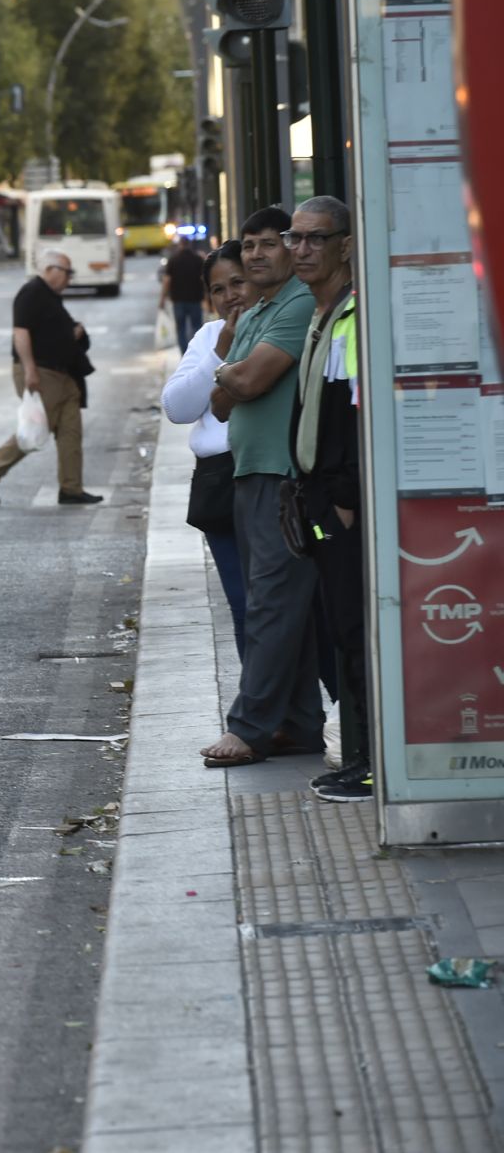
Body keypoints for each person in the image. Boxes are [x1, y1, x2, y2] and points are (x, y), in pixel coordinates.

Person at [199, 206, 323, 767]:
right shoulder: (255, 309)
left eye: (268, 244)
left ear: (291, 248)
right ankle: (296, 724)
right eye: (248, 245)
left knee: (272, 606)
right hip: (249, 473)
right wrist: (232, 374)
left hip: (284, 476)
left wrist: (230, 371)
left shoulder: (296, 301)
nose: (255, 255)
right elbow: (223, 405)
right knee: (278, 607)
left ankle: (249, 725)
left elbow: (242, 378)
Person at [285, 195, 370, 802]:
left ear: (345, 243)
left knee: (357, 631)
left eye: (316, 238)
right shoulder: (320, 311)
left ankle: (371, 764)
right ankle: (361, 756)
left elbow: (358, 415)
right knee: (341, 632)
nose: (302, 250)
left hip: (343, 503)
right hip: (319, 498)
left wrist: (343, 497)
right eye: (296, 238)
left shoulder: (353, 315)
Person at [163, 241, 253, 657]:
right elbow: (178, 408)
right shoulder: (209, 336)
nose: (231, 295)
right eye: (219, 289)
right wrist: (219, 351)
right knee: (242, 605)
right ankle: (265, 712)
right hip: (220, 485)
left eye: (238, 282)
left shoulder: (285, 326)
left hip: (271, 479)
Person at [0, 250, 101, 506]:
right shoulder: (31, 292)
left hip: (64, 376)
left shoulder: (51, 297)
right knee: (37, 428)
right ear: (50, 270)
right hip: (42, 373)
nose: (69, 278)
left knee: (70, 432)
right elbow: (21, 334)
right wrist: (30, 369)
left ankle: (71, 488)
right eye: (67, 272)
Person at [161, 236, 207, 353]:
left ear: (180, 245)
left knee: (181, 329)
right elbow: (204, 280)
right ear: (189, 245)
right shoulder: (198, 259)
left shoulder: (173, 259)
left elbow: (167, 281)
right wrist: (207, 299)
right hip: (195, 299)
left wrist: (162, 299)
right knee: (197, 328)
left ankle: (184, 355)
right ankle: (197, 353)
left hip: (178, 300)